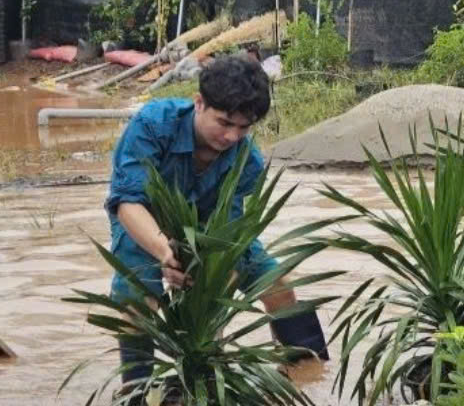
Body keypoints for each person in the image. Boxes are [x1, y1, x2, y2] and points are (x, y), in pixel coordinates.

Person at [106, 56, 328, 394]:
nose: (232, 136)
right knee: (138, 300)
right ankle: (135, 391)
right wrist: (164, 253)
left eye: (244, 127)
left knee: (278, 283)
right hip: (145, 223)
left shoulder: (246, 161)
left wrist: (213, 290)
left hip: (215, 232)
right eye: (224, 123)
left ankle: (306, 376)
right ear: (199, 103)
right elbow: (127, 201)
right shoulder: (153, 125)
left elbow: (231, 234)